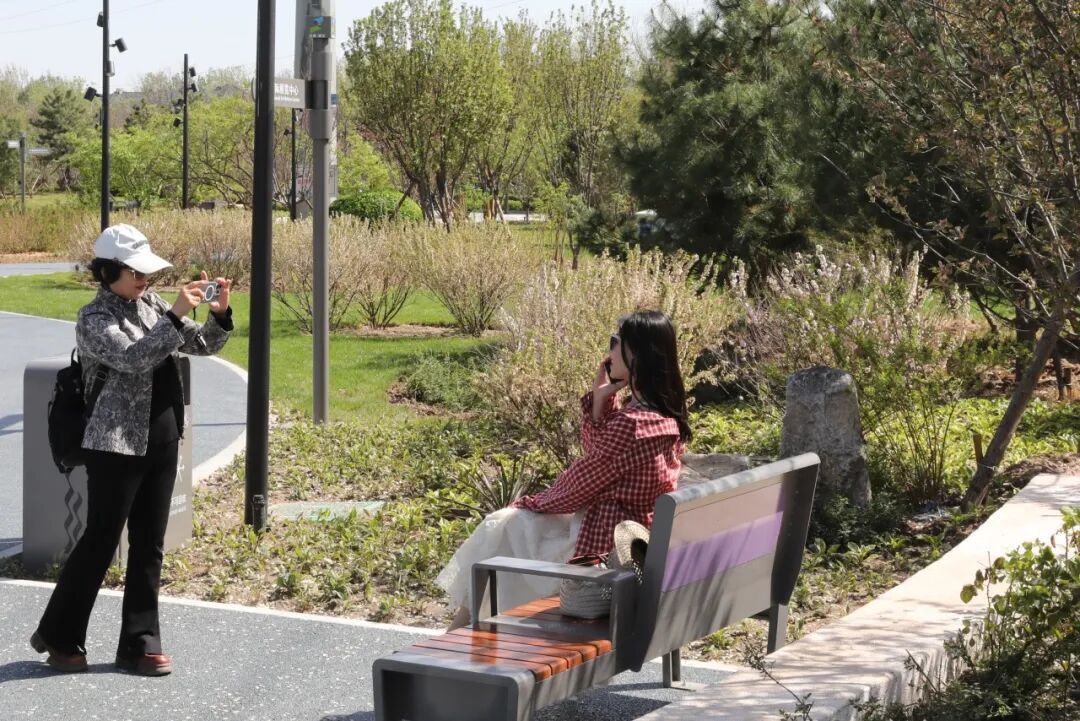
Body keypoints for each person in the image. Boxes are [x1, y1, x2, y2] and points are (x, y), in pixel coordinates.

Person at [30, 223, 234, 676]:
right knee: (101, 540)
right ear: (107, 272)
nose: (145, 280)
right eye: (135, 272)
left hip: (162, 436)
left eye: (147, 272)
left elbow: (202, 345)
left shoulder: (153, 305)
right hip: (114, 442)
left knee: (150, 544)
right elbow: (133, 358)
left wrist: (218, 315)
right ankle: (60, 636)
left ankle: (140, 645)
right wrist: (175, 315)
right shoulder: (93, 317)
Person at [437, 310, 690, 626]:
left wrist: (529, 502)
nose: (609, 351)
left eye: (615, 342)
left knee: (503, 525)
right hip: (632, 546)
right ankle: (464, 632)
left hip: (600, 555)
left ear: (635, 355)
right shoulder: (665, 417)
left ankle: (459, 636)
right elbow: (600, 459)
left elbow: (575, 488)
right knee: (509, 529)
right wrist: (601, 401)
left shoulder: (631, 426)